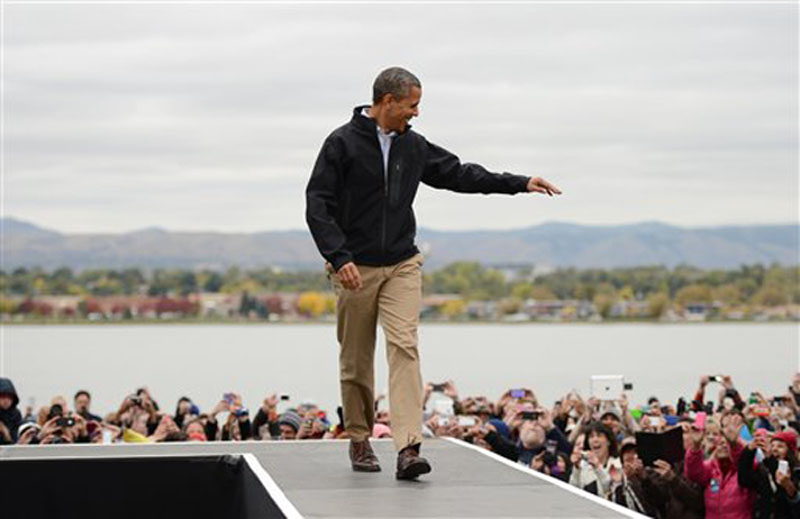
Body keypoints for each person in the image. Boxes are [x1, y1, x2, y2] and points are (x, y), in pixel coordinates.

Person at [305, 66, 561, 480]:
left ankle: (408, 447)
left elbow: (460, 174)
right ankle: (358, 437)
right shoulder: (341, 144)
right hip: (354, 267)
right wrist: (338, 256)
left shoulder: (414, 146)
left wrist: (519, 182)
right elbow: (317, 203)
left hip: (403, 264)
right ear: (387, 102)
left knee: (404, 347)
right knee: (355, 360)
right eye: (412, 105)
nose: (417, 113)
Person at [0, 377, 22, 444]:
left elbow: (16, 439)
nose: (6, 400)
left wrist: (6, 434)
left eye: (9, 397)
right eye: (3, 396)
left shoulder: (15, 414)